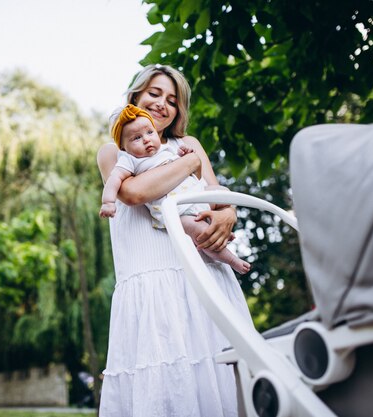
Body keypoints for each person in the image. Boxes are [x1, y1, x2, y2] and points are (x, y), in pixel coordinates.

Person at [97, 64, 254, 417]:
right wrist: (188, 166)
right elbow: (136, 193)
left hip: (204, 275)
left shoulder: (188, 144)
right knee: (166, 379)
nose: (162, 104)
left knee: (219, 371)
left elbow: (215, 195)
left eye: (172, 99)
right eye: (154, 93)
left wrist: (228, 212)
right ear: (136, 96)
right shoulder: (116, 152)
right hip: (153, 281)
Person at [100, 103, 250, 274]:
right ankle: (232, 260)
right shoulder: (128, 160)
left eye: (150, 132)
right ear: (123, 147)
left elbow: (198, 176)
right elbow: (114, 179)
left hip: (196, 195)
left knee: (222, 192)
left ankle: (220, 229)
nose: (146, 139)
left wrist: (185, 155)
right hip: (177, 210)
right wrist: (108, 202)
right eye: (136, 138)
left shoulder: (169, 149)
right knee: (200, 233)